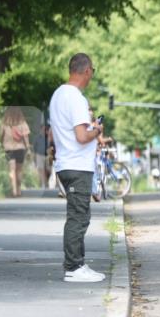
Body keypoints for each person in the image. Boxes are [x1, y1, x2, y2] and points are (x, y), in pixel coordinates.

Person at [48, 53, 106, 283]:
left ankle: (78, 264)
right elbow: (82, 136)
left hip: (66, 162)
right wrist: (97, 130)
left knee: (78, 215)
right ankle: (73, 267)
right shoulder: (76, 98)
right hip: (77, 165)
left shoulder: (58, 95)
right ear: (87, 71)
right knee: (78, 217)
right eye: (92, 72)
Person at [0, 106, 31, 198]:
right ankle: (18, 190)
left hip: (8, 149)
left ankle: (13, 191)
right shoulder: (22, 123)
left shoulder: (4, 123)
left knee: (11, 170)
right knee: (19, 171)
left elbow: (0, 136)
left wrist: (2, 143)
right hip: (20, 148)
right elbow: (26, 137)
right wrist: (28, 148)